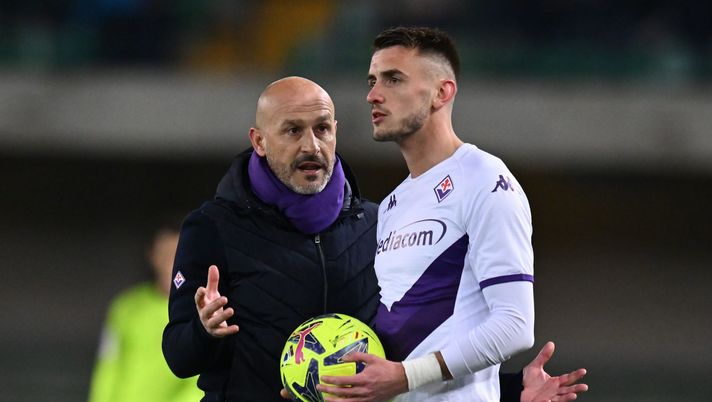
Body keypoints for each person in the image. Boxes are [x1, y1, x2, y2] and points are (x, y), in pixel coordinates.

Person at [162, 76, 586, 402]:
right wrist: (204, 330)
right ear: (259, 141)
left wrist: (508, 391)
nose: (312, 145)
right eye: (292, 131)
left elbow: (408, 348)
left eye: (322, 129)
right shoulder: (212, 226)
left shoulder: (377, 222)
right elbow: (179, 358)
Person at [316, 26, 586, 402]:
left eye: (393, 79)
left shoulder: (485, 179)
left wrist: (406, 377)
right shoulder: (393, 204)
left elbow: (515, 326)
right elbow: (404, 334)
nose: (373, 95)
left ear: (442, 92)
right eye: (372, 80)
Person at [88, 218, 203, 402]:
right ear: (152, 255)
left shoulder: (202, 311)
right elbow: (108, 368)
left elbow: (200, 383)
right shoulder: (125, 308)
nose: (170, 263)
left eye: (177, 254)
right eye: (164, 254)